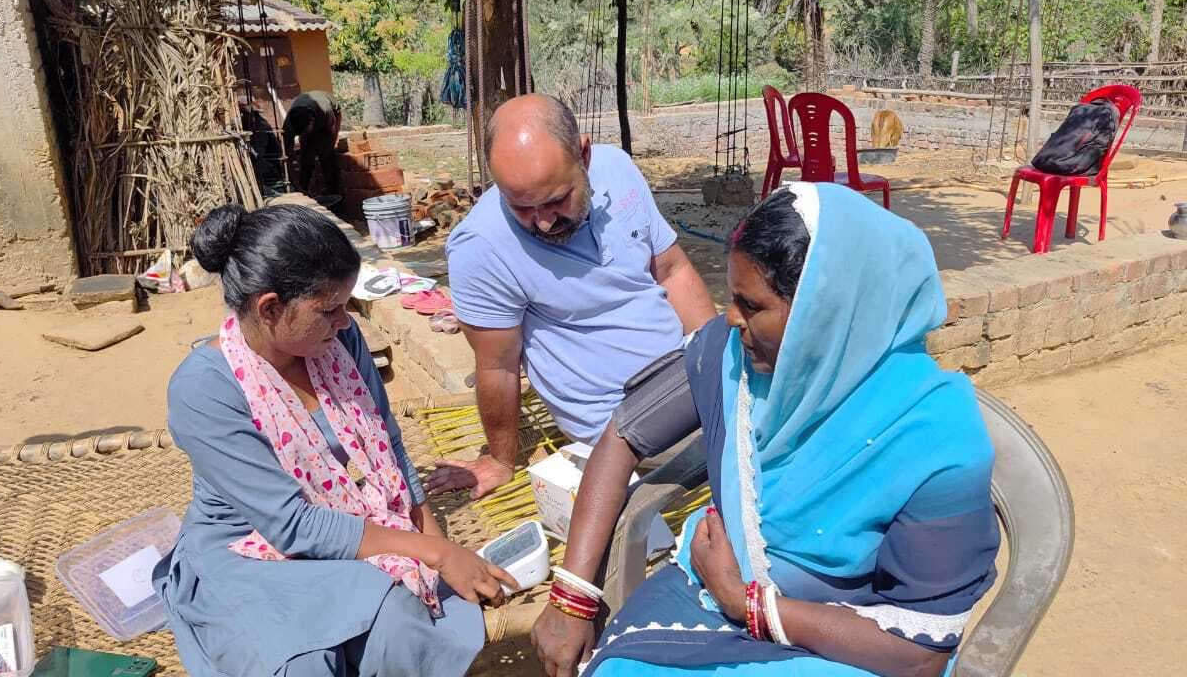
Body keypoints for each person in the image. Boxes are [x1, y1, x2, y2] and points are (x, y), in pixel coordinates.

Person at [531, 183, 1000, 677]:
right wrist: (572, 596)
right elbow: (623, 435)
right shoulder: (730, 356)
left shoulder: (937, 438)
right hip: (708, 592)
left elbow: (920, 654)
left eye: (751, 306)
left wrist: (746, 603)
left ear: (825, 313)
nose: (731, 318)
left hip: (854, 640)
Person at [153, 203, 517, 677]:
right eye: (329, 310)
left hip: (347, 520)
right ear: (271, 309)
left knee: (407, 618)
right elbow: (292, 525)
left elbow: (388, 446)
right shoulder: (205, 389)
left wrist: (434, 542)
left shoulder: (340, 342)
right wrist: (436, 554)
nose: (345, 321)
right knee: (310, 660)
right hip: (248, 550)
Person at [429, 94, 716, 498]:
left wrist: (718, 360)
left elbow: (673, 270)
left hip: (689, 377)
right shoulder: (482, 246)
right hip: (627, 423)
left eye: (557, 199)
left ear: (584, 155)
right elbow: (497, 365)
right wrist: (500, 459)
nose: (544, 222)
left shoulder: (617, 168)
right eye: (522, 208)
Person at [283, 90, 342, 197]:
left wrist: (330, 147)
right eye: (302, 134)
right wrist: (295, 182)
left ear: (312, 121)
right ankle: (303, 189)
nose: (304, 135)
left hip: (330, 116)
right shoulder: (289, 124)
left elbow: (333, 131)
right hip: (310, 119)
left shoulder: (325, 112)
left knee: (327, 157)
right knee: (306, 159)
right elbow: (287, 155)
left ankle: (333, 192)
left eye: (306, 131)